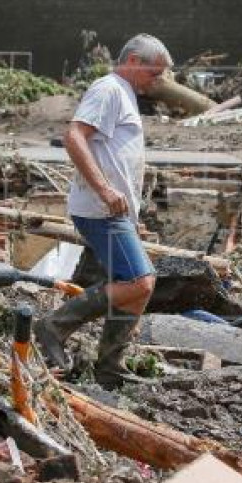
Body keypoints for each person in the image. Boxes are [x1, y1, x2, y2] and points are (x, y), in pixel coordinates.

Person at [34, 34, 172, 388]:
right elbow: (74, 136)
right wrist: (106, 190)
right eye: (154, 73)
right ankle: (52, 327)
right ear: (134, 61)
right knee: (140, 281)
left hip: (114, 211)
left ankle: (110, 366)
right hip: (100, 208)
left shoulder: (124, 93)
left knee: (136, 286)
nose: (157, 82)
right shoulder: (108, 89)